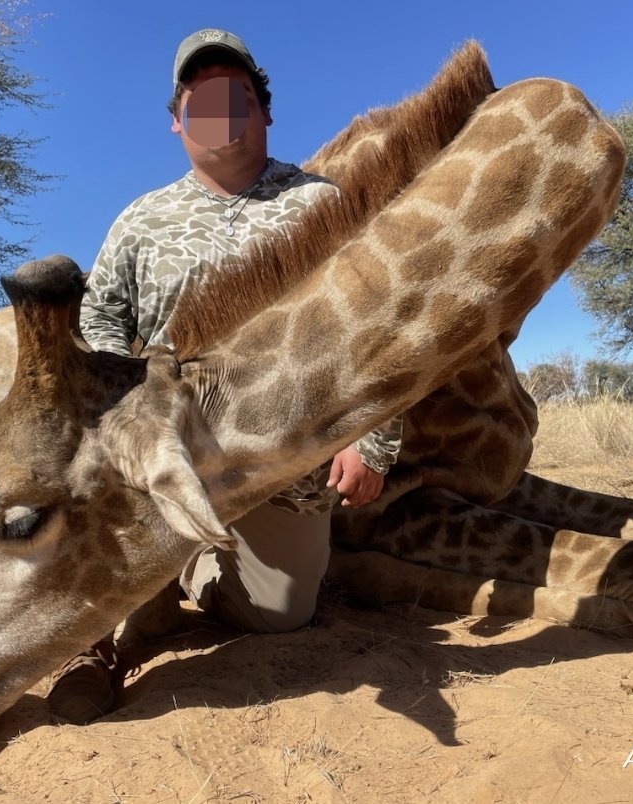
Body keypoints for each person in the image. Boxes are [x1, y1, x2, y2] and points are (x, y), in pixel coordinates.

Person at [48, 28, 402, 724]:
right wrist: (119, 430)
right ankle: (92, 643)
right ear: (178, 119)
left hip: (286, 468)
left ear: (265, 114)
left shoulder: (324, 204)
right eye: (200, 98)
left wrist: (374, 441)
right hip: (158, 454)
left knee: (279, 615)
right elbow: (95, 330)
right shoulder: (140, 221)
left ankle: (182, 567)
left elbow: (378, 325)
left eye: (238, 96)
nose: (221, 111)